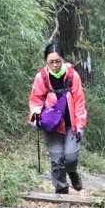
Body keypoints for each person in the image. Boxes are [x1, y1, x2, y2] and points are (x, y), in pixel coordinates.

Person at [29, 42, 87, 194]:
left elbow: (80, 101)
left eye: (58, 61)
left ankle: (72, 172)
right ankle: (62, 190)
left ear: (62, 59)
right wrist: (35, 117)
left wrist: (80, 124)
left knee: (70, 157)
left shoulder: (72, 75)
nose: (54, 65)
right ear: (46, 62)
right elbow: (36, 100)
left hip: (71, 125)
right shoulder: (41, 77)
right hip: (52, 125)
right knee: (57, 160)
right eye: (51, 62)